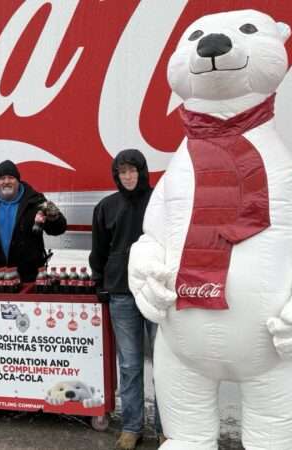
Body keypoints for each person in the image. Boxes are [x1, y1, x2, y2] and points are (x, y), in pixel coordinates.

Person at [89, 149, 162, 450]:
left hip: (157, 292)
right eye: (122, 172)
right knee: (130, 365)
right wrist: (99, 281)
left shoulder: (159, 202)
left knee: (165, 364)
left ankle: (166, 428)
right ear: (116, 175)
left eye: (133, 170)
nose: (128, 176)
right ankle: (132, 427)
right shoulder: (106, 207)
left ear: (142, 172)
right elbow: (99, 250)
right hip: (121, 294)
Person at [0, 160, 66, 282]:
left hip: (28, 275)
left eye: (11, 178)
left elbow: (57, 229)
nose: (6, 181)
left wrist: (54, 218)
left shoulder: (35, 201)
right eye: (2, 178)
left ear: (18, 181)